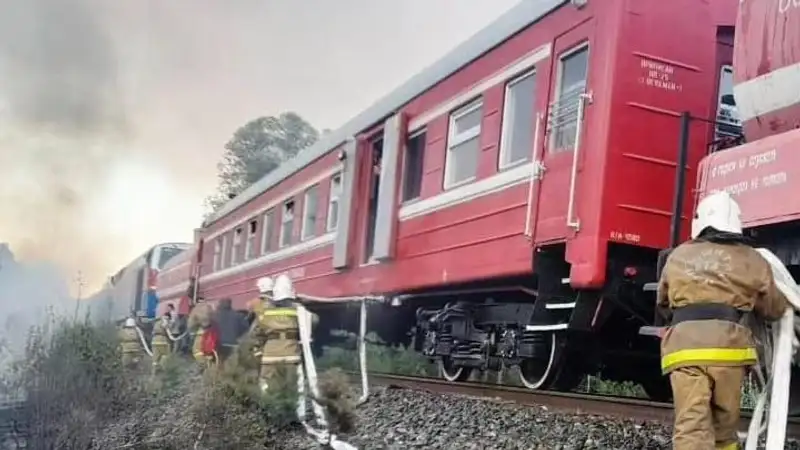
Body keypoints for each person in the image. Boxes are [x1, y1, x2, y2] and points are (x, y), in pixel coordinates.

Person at [657, 190, 788, 450]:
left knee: (691, 425)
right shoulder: (753, 259)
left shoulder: (678, 255)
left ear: (700, 222)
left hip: (684, 351)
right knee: (724, 429)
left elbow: (663, 303)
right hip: (728, 351)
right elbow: (773, 308)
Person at [254, 274, 301, 393]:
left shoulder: (265, 313)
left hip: (270, 356)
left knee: (266, 385)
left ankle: (267, 407)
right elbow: (314, 321)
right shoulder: (297, 311)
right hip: (291, 356)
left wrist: (258, 352)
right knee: (290, 387)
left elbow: (258, 332)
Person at [215, 298, 248, 362]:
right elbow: (245, 329)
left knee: (219, 362)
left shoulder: (214, 316)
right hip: (233, 344)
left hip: (218, 345)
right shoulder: (238, 315)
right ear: (230, 304)